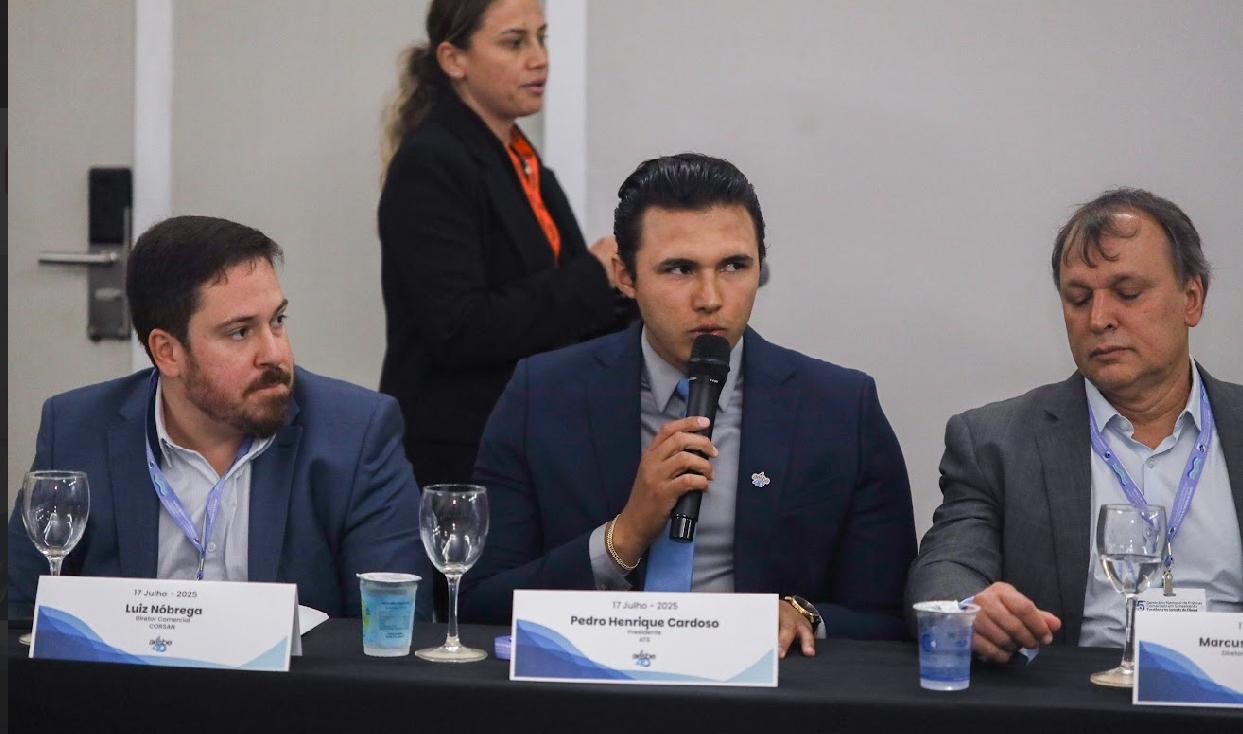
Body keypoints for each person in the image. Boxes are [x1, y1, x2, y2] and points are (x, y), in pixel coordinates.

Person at [460, 153, 918, 654]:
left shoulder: (840, 409)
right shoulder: (543, 395)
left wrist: (803, 614)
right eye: (680, 269)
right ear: (625, 276)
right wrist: (623, 537)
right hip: (596, 684)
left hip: (766, 686)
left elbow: (891, 618)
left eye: (734, 266)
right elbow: (478, 600)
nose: (710, 297)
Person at [7, 215, 431, 619]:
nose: (275, 353)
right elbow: (21, 614)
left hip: (290, 674)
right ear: (167, 352)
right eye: (240, 332)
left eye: (277, 320)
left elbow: (394, 630)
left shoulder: (356, 435)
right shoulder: (77, 430)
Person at [906, 189, 1242, 662]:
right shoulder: (995, 442)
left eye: (1127, 294)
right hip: (1073, 694)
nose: (1099, 319)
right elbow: (946, 567)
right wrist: (969, 607)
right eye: (1078, 299)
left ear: (1191, 299)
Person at [378, 0, 631, 490]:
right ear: (454, 59)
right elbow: (459, 328)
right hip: (460, 456)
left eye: (542, 38)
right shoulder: (432, 162)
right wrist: (592, 275)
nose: (539, 58)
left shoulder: (517, 156)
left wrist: (645, 281)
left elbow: (561, 306)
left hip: (525, 437)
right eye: (515, 42)